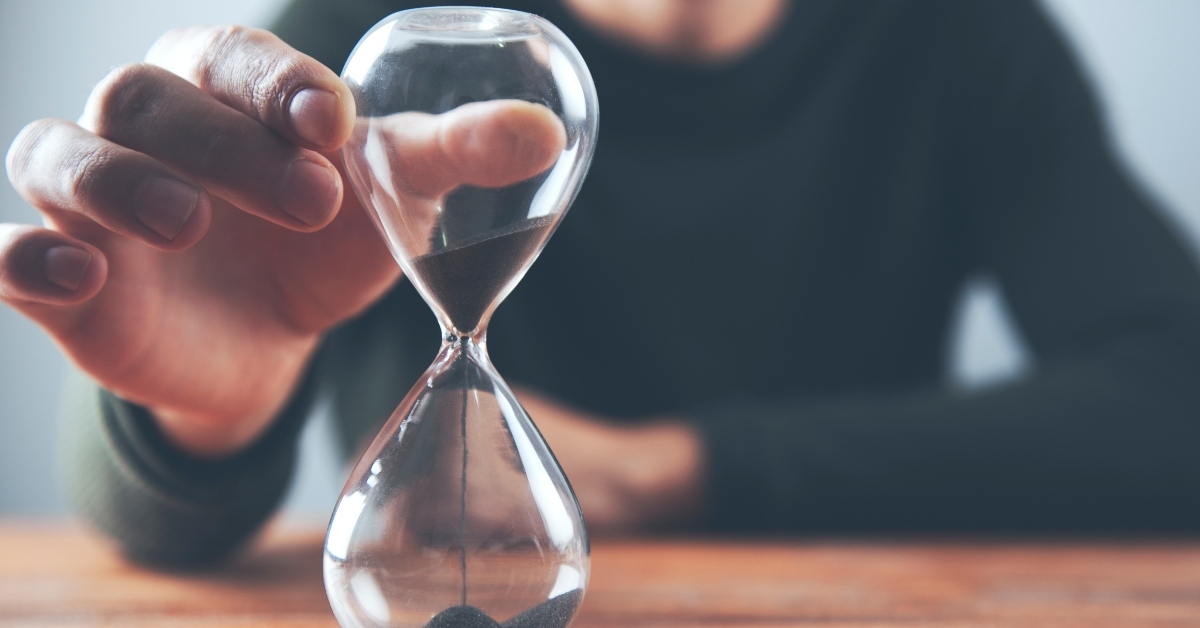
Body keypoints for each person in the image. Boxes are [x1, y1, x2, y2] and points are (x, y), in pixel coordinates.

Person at [3, 0, 1200, 568]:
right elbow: (144, 534)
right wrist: (192, 415)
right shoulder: (366, 47)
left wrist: (671, 466)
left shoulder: (954, 39)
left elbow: (1177, 396)